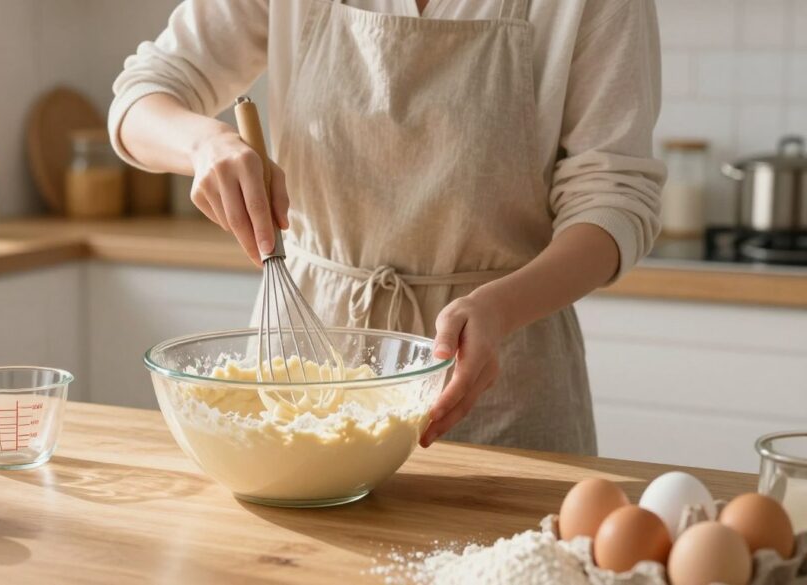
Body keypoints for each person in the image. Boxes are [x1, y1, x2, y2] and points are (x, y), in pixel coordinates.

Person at [109, 0, 664, 455]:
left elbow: (614, 200)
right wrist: (204, 144)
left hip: (498, 369)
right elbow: (141, 97)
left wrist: (501, 307)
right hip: (308, 368)